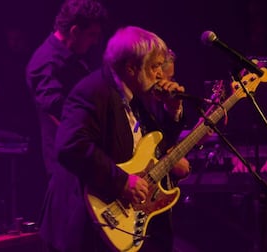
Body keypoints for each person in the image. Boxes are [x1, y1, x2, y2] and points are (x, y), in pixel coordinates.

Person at [51, 26, 190, 252]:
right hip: (88, 222)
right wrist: (122, 181)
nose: (159, 74)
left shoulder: (134, 97)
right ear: (131, 67)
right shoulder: (93, 91)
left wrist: (172, 109)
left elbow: (157, 145)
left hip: (116, 220)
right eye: (154, 66)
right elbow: (70, 145)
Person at [25, 0, 108, 178]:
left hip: (84, 155)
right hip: (66, 165)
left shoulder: (76, 55)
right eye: (91, 35)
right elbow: (59, 110)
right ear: (75, 31)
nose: (94, 42)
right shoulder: (45, 63)